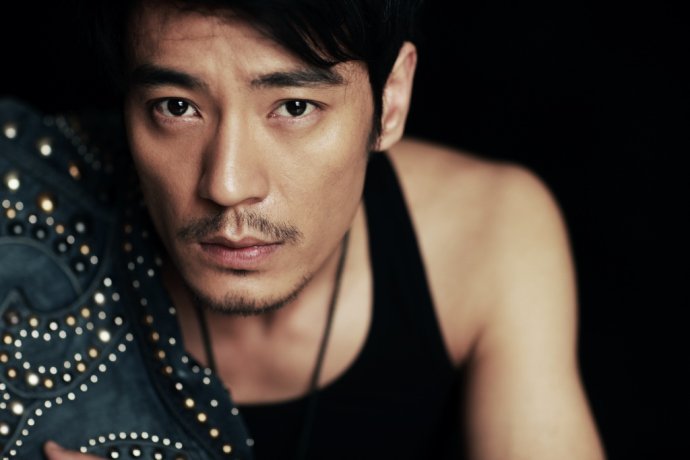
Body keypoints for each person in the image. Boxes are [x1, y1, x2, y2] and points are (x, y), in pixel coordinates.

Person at [0, 0, 606, 459]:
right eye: (177, 106)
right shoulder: (24, 212)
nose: (227, 183)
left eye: (294, 107)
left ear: (390, 101)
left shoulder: (485, 231)